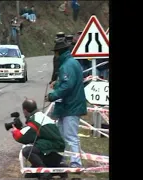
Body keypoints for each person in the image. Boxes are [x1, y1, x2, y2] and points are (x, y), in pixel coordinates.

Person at [45, 39, 87, 168]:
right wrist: (57, 84)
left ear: (58, 52)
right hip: (68, 106)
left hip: (70, 106)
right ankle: (61, 160)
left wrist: (53, 95)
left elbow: (68, 86)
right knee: (61, 136)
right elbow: (68, 82)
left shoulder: (67, 65)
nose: (55, 56)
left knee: (71, 136)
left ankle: (76, 163)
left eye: (56, 53)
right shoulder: (72, 62)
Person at [11, 98, 67, 180]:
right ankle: (59, 168)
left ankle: (45, 174)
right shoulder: (40, 116)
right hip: (57, 150)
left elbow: (23, 137)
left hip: (53, 150)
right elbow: (34, 133)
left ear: (25, 111)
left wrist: (15, 131)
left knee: (27, 151)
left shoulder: (35, 120)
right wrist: (21, 127)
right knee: (30, 171)